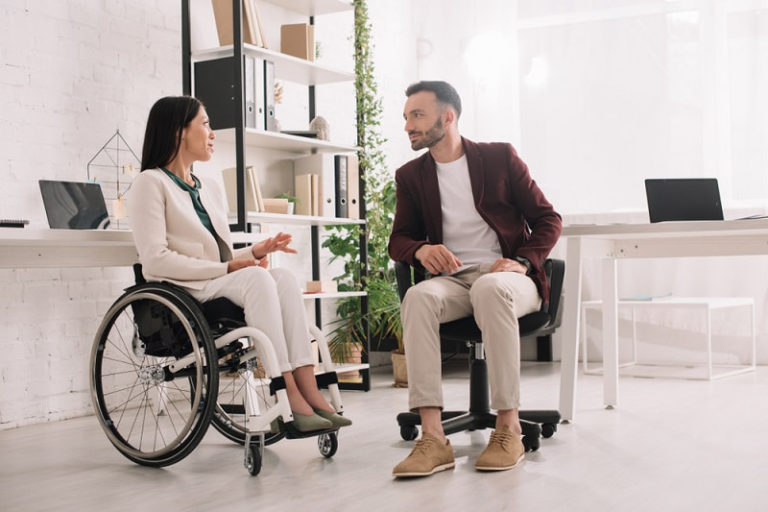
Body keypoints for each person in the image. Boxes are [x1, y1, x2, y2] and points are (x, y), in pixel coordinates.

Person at [129, 96, 351, 432]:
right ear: (178, 132)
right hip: (186, 290)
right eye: (205, 123)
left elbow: (221, 257)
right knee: (258, 281)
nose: (212, 132)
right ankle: (286, 394)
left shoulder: (210, 188)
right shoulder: (151, 183)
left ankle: (309, 388)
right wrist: (230, 269)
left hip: (217, 282)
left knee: (283, 278)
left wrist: (256, 252)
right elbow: (154, 261)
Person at [388, 81, 561, 477]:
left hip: (506, 277)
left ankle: (509, 427)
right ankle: (432, 438)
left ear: (447, 117)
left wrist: (522, 260)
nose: (408, 126)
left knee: (489, 287)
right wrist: (419, 250)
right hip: (453, 280)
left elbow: (548, 219)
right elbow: (398, 239)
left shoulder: (499, 159)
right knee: (418, 297)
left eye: (417, 115)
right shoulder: (411, 176)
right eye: (406, 117)